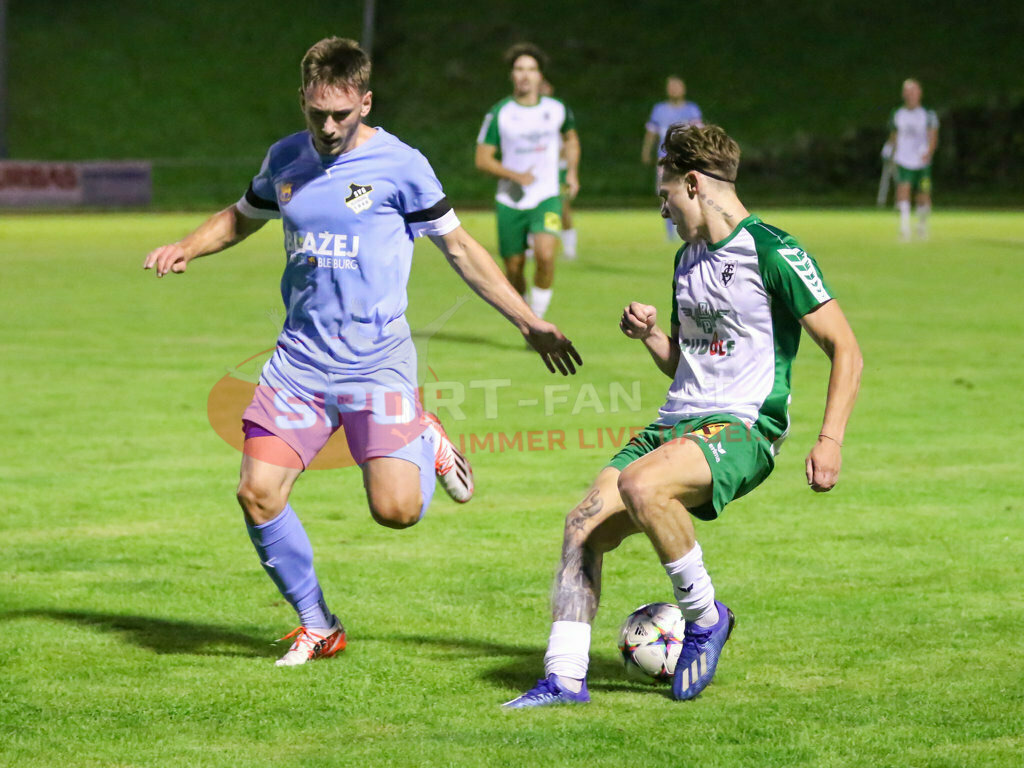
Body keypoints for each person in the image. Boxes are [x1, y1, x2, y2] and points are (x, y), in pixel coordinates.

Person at [143, 37, 581, 667]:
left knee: (396, 512)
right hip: (299, 363)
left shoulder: (402, 165)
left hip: (376, 364)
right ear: (303, 100)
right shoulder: (286, 158)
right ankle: (317, 623)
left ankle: (426, 438)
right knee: (258, 492)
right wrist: (187, 244)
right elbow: (242, 215)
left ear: (365, 101)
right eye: (317, 112)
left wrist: (526, 319)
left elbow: (460, 250)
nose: (327, 127)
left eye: (341, 115)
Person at [504, 124, 862, 708]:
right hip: (678, 422)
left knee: (643, 485)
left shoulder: (773, 250)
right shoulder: (686, 260)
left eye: (665, 197)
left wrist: (831, 439)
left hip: (745, 426)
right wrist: (652, 337)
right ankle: (564, 678)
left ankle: (704, 617)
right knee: (581, 526)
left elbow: (846, 347)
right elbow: (688, 366)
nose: (664, 211)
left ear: (693, 184)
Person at [476, 43, 580, 320]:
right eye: (519, 69)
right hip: (510, 200)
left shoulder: (557, 109)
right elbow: (483, 159)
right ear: (512, 75)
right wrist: (515, 175)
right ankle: (525, 314)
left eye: (531, 69)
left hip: (548, 197)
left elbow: (571, 139)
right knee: (513, 267)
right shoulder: (499, 113)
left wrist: (571, 173)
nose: (525, 75)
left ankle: (537, 319)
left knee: (546, 255)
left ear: (540, 76)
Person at [642, 76, 703, 241]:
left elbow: (699, 132)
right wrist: (646, 151)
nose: (674, 89)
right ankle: (671, 232)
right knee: (667, 193)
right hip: (665, 157)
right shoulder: (659, 109)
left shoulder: (691, 109)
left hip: (686, 156)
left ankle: (692, 226)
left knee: (689, 191)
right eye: (671, 86)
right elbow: (651, 132)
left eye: (677, 86)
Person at [883, 78, 939, 240]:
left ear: (919, 93)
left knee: (923, 194)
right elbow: (894, 136)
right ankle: (904, 226)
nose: (911, 95)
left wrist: (928, 151)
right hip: (904, 159)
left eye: (914, 91)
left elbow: (933, 136)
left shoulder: (928, 115)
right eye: (908, 92)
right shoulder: (897, 114)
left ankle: (922, 224)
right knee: (903, 190)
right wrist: (889, 149)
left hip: (922, 161)